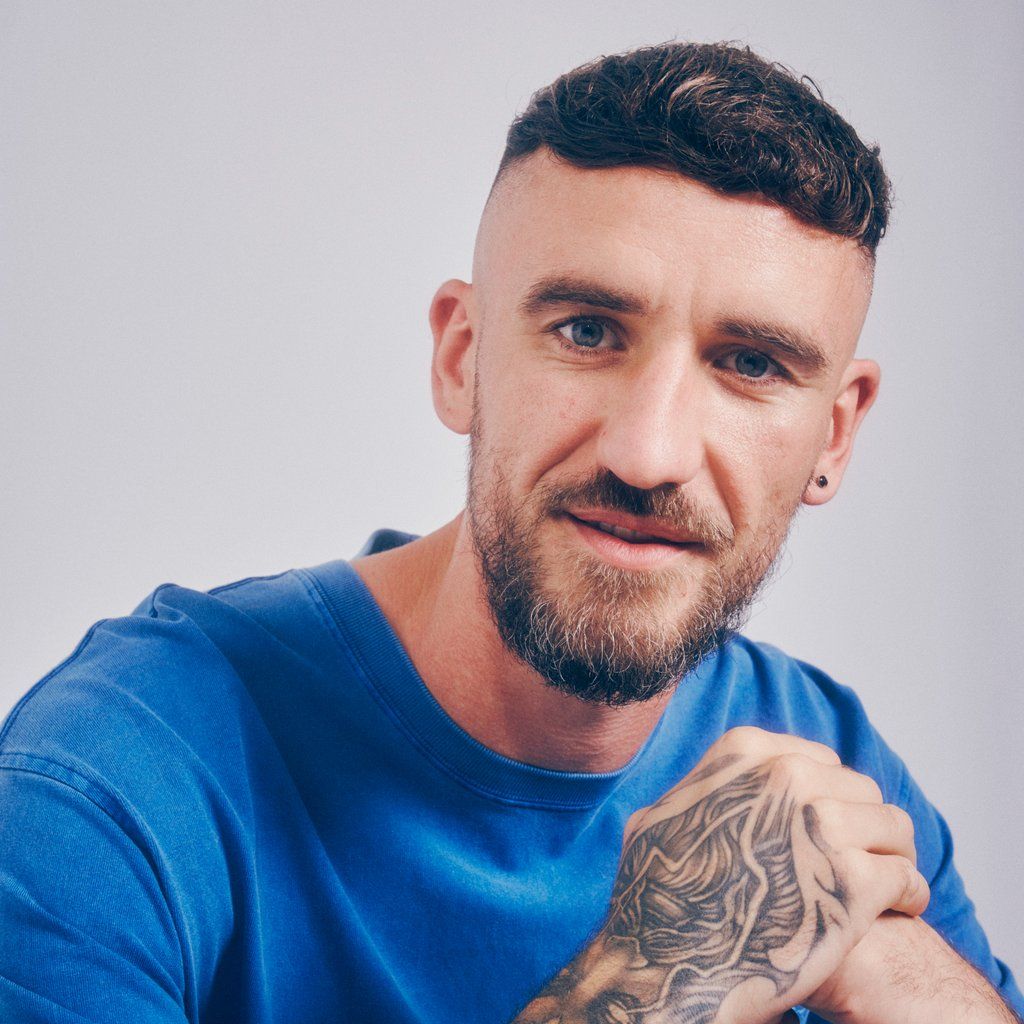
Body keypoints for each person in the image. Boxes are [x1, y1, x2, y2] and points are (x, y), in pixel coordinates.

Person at [0, 40, 1020, 1024]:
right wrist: (661, 983)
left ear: (833, 434)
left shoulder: (828, 771)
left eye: (752, 364)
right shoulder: (113, 779)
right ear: (461, 356)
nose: (648, 453)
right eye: (587, 332)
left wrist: (914, 984)